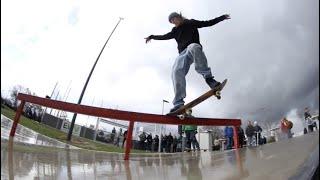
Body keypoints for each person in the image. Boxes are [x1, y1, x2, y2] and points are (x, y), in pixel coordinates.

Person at [145, 12, 231, 113]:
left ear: (179, 17)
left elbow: (207, 23)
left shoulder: (191, 22)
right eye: (171, 22)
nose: (174, 22)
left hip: (193, 49)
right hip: (182, 54)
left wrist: (221, 18)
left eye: (174, 19)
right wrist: (152, 36)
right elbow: (164, 36)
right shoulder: (175, 30)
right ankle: (178, 103)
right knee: (176, 71)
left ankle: (209, 79)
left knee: (193, 47)